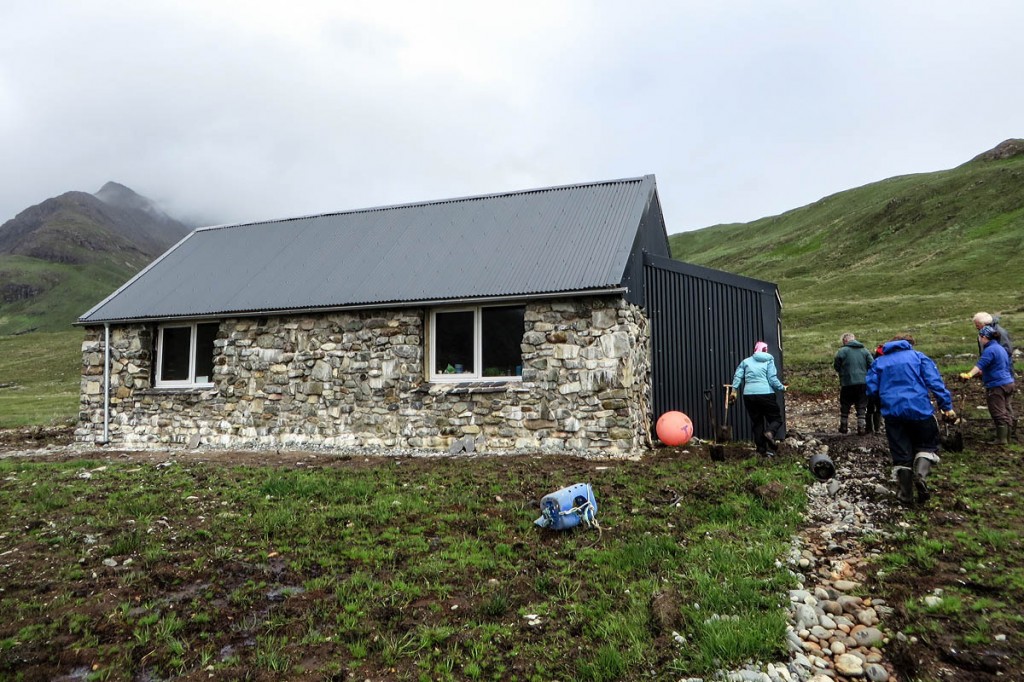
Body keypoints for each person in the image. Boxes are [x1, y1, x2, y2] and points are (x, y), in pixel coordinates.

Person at [866, 334, 955, 506]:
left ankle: (905, 495)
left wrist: (883, 404)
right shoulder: (918, 357)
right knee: (927, 445)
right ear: (908, 344)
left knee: (901, 454)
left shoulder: (879, 363)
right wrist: (946, 406)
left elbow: (871, 390)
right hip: (920, 410)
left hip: (893, 414)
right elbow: (935, 382)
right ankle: (920, 475)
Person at [960, 325, 1016, 445]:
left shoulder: (990, 350)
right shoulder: (1000, 348)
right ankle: (1008, 436)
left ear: (985, 337)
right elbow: (999, 365)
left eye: (980, 337)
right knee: (1006, 410)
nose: (980, 340)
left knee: (998, 412)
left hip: (997, 385)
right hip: (1008, 383)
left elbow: (980, 364)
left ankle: (1002, 439)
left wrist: (969, 375)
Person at [730, 341, 787, 457]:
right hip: (766, 394)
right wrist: (782, 387)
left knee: (757, 423)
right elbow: (772, 379)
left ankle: (761, 451)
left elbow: (738, 376)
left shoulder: (746, 362)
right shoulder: (769, 360)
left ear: (755, 349)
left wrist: (734, 390)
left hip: (749, 395)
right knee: (776, 419)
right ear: (766, 350)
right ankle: (770, 432)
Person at [833, 333, 874, 434]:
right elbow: (872, 364)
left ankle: (843, 426)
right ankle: (861, 427)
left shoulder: (842, 351)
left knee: (845, 404)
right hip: (862, 382)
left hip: (847, 382)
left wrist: (842, 372)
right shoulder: (864, 350)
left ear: (845, 341)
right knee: (862, 404)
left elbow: (836, 365)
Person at [864, 343, 886, 434]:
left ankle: (869, 428)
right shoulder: (885, 361)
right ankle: (877, 428)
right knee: (879, 407)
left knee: (870, 407)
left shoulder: (871, 359)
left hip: (870, 387)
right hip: (880, 388)